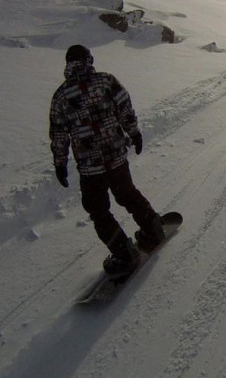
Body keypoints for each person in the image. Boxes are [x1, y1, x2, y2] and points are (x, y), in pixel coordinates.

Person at [49, 45, 165, 275]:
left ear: (68, 65)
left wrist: (60, 163)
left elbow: (59, 133)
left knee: (98, 210)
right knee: (127, 193)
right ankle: (153, 229)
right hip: (116, 157)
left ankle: (124, 254)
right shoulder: (106, 81)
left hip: (90, 167)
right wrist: (134, 132)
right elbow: (125, 109)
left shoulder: (61, 96)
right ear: (89, 60)